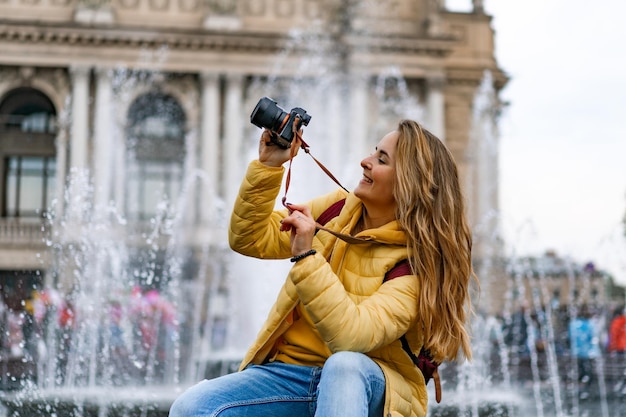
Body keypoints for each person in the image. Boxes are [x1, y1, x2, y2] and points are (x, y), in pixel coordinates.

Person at [169, 119, 476, 417]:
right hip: (290, 376)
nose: (364, 162)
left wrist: (306, 256)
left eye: (381, 160)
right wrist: (270, 166)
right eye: (373, 152)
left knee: (343, 366)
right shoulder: (338, 210)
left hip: (371, 388)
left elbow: (352, 337)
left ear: (409, 183)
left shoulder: (415, 265)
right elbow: (250, 240)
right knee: (192, 408)